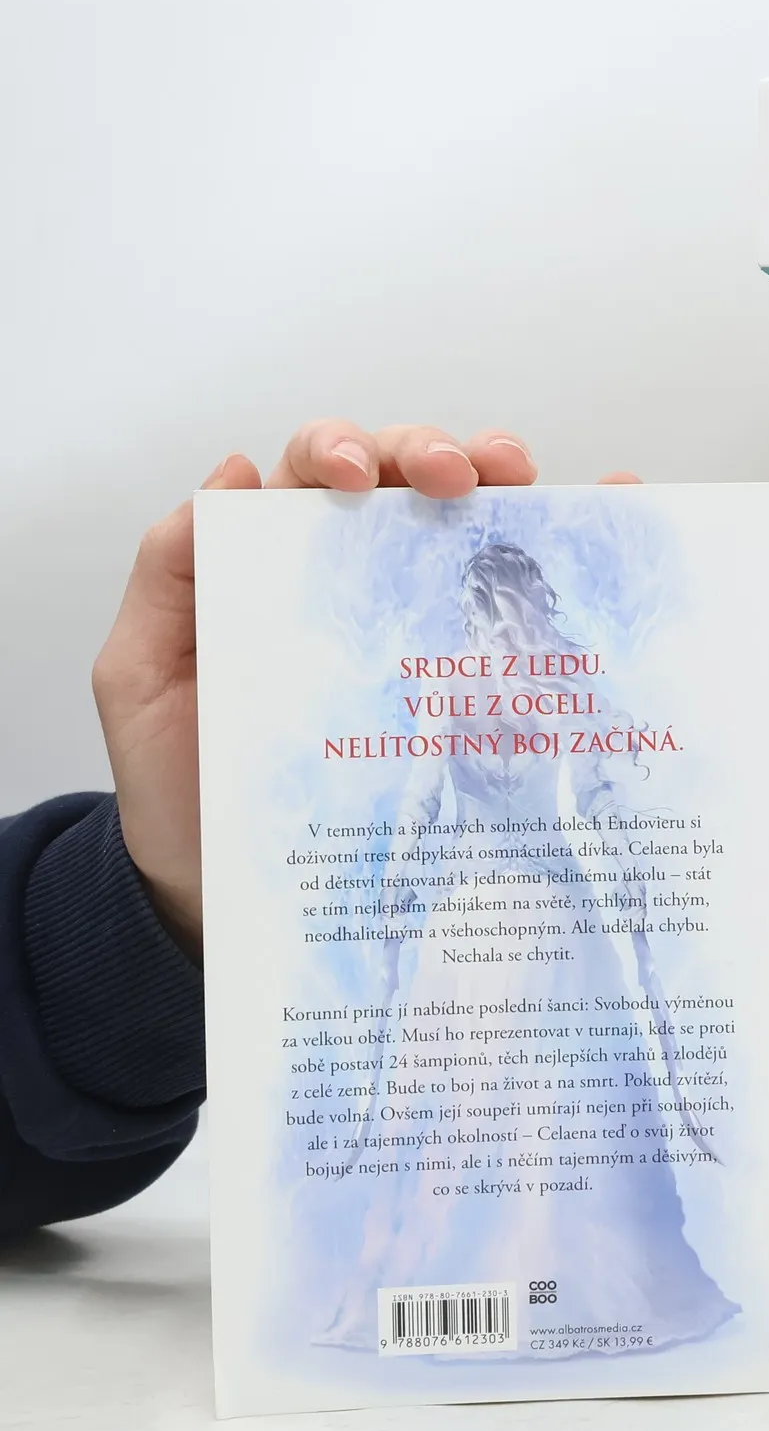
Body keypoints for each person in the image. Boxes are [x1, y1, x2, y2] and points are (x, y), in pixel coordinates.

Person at [0, 421, 634, 1241]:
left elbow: (435, 808)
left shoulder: (485, 694)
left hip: (491, 909)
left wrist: (181, 906)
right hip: (519, 907)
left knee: (519, 1093)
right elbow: (483, 805)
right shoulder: (543, 692)